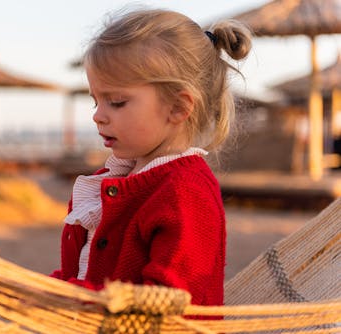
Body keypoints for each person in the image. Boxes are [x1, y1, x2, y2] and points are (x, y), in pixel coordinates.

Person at [50, 8, 252, 306]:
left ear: (178, 108)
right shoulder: (111, 182)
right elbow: (81, 271)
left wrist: (74, 297)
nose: (98, 116)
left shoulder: (185, 192)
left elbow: (169, 304)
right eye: (96, 100)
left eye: (116, 102)